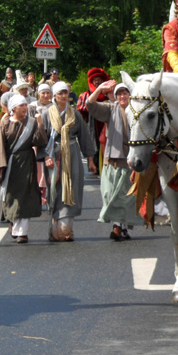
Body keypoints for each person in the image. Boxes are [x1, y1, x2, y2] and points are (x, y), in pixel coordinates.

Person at [86, 80, 144, 240]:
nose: (122, 96)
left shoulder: (137, 111)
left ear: (130, 95)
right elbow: (90, 106)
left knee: (126, 197)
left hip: (131, 159)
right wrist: (99, 89)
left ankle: (119, 227)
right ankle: (120, 226)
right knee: (110, 194)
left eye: (125, 93)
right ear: (116, 96)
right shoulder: (110, 109)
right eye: (119, 93)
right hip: (112, 159)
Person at [40, 81, 97, 241]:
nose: (63, 96)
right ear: (54, 96)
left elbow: (85, 138)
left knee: (72, 187)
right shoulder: (46, 114)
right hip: (53, 154)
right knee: (54, 189)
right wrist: (46, 157)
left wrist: (91, 161)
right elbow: (42, 139)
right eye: (60, 93)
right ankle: (54, 228)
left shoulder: (75, 114)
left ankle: (66, 229)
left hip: (72, 154)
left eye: (65, 93)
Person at [0, 94, 47, 243]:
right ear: (13, 108)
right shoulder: (5, 123)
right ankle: (13, 222)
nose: (24, 108)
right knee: (11, 195)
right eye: (21, 105)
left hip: (27, 163)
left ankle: (22, 232)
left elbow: (40, 141)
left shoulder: (32, 122)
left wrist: (40, 125)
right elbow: (0, 145)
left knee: (26, 195)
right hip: (10, 164)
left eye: (25, 105)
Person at [77, 67, 110, 175]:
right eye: (95, 80)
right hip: (92, 124)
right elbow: (82, 113)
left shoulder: (109, 94)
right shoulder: (86, 95)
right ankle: (94, 165)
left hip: (107, 124)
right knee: (93, 144)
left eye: (99, 79)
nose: (97, 82)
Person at [29, 83, 53, 206]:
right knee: (36, 167)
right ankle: (36, 192)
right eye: (43, 93)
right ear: (38, 94)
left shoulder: (54, 107)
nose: (45, 95)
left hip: (50, 140)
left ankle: (45, 193)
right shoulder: (32, 107)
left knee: (46, 168)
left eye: (47, 93)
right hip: (36, 141)